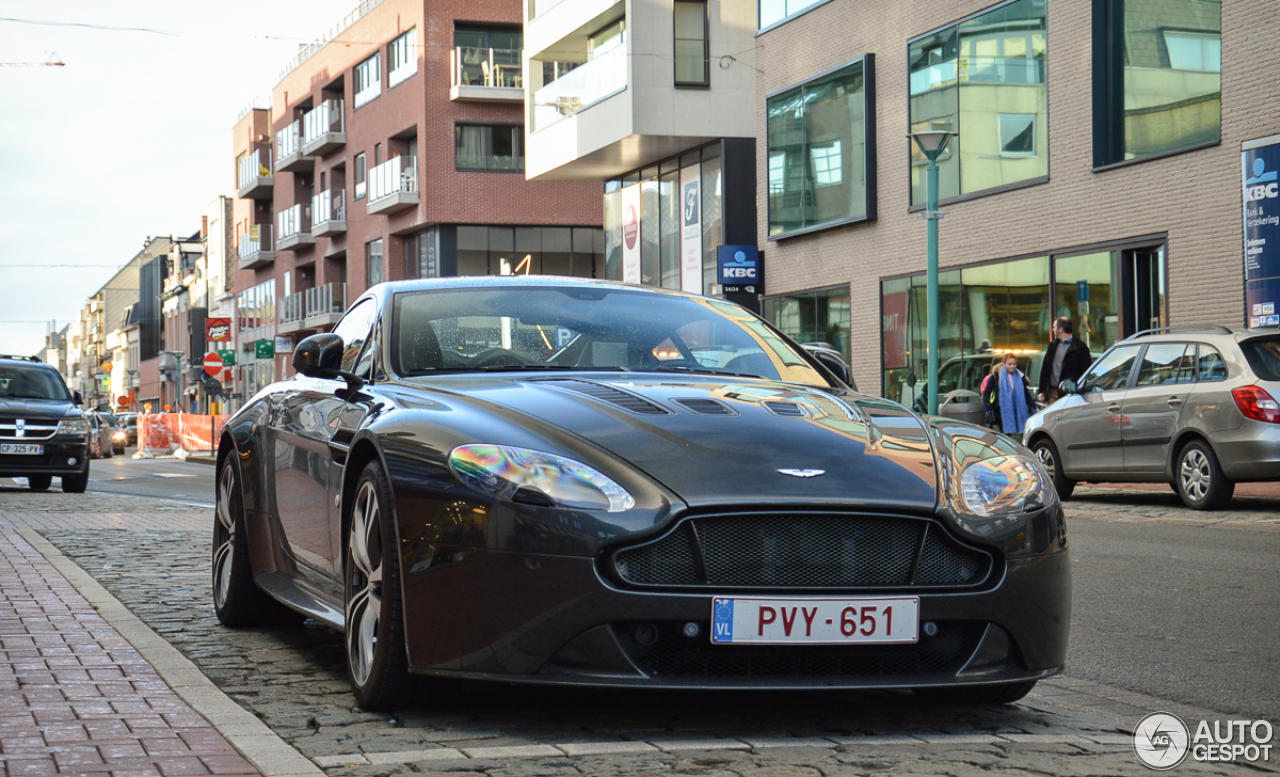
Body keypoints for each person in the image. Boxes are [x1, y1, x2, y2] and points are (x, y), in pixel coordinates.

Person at [1038, 316, 1091, 405]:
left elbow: (1086, 373)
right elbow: (1045, 369)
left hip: (1070, 395)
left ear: (1061, 329)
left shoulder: (1080, 348)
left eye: (1054, 327)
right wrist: (1041, 391)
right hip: (1052, 394)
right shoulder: (1053, 346)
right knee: (1050, 418)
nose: (1053, 329)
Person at [983, 353, 1035, 441]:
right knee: (1005, 435)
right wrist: (988, 407)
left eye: (1014, 364)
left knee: (1019, 435)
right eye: (1009, 364)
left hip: (1016, 409)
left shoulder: (1020, 376)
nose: (1012, 366)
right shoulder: (996, 376)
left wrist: (1032, 406)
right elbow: (987, 392)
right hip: (1000, 410)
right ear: (1004, 364)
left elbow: (1025, 394)